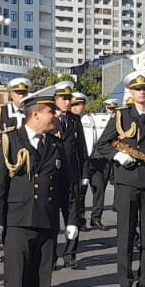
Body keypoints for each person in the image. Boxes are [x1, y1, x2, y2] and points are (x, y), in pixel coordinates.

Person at [0, 87, 75, 287]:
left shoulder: (57, 145)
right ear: (35, 114)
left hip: (46, 222)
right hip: (18, 222)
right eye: (51, 111)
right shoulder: (10, 141)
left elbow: (66, 188)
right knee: (16, 282)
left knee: (41, 281)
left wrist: (71, 219)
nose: (55, 115)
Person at [94, 72, 145, 287]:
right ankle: (126, 284)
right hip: (127, 181)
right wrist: (118, 156)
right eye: (137, 89)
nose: (142, 92)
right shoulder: (121, 116)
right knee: (126, 235)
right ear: (130, 92)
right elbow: (102, 145)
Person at [50, 82, 89, 269]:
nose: (67, 102)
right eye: (63, 98)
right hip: (53, 175)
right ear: (55, 99)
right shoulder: (49, 118)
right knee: (50, 218)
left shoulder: (75, 120)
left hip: (71, 174)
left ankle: (70, 254)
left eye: (69, 98)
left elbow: (82, 148)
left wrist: (85, 173)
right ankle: (50, 255)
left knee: (72, 214)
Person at [86, 100, 118, 228]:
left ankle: (96, 218)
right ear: (105, 108)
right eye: (110, 108)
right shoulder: (92, 119)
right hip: (87, 159)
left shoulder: (116, 122)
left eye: (114, 109)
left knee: (99, 190)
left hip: (102, 160)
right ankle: (79, 218)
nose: (112, 111)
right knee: (80, 192)